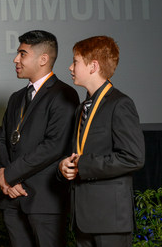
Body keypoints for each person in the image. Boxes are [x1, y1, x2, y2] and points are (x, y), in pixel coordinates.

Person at [0, 30, 80, 246]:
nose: (16, 59)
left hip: (45, 203)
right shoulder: (16, 98)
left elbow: (54, 146)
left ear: (43, 59)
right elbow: (0, 140)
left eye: (22, 54)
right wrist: (8, 182)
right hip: (12, 199)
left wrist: (10, 175)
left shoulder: (65, 94)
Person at [58, 36, 145, 247]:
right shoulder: (81, 108)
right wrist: (64, 166)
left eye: (75, 61)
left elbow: (133, 158)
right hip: (83, 219)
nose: (70, 67)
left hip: (110, 220)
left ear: (93, 66)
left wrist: (83, 165)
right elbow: (78, 152)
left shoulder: (120, 104)